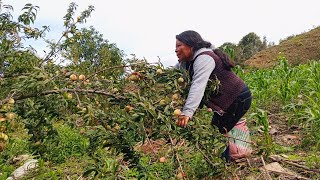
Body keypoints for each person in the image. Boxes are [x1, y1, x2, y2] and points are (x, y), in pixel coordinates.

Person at [174, 30, 252, 161]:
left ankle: (222, 166)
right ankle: (230, 157)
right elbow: (171, 73)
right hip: (229, 102)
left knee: (217, 134)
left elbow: (198, 85)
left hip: (239, 98)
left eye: (179, 45)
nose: (175, 50)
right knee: (218, 130)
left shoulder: (204, 58)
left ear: (191, 46)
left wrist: (187, 112)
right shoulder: (187, 62)